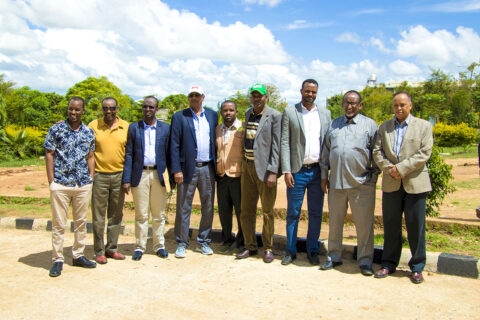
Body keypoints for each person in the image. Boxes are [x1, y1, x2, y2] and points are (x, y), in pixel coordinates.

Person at [373, 91, 433, 284]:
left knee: (416, 226)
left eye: (403, 105)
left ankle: (417, 267)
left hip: (415, 183)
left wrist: (401, 168)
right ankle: (389, 264)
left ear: (410, 106)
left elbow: (424, 152)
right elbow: (377, 151)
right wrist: (388, 168)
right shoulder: (384, 127)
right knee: (391, 226)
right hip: (391, 182)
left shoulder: (423, 126)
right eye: (396, 105)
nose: (399, 108)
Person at [319, 90, 378, 275]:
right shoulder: (334, 124)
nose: (349, 106)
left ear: (360, 106)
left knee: (364, 224)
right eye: (346, 103)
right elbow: (326, 152)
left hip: (361, 185)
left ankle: (365, 260)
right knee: (335, 223)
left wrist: (372, 179)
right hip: (336, 183)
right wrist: (323, 175)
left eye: (353, 103)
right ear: (342, 104)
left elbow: (377, 153)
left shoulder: (370, 125)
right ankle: (333, 256)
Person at [280, 79, 331, 266]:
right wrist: (287, 170)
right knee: (293, 213)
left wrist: (326, 174)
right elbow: (284, 141)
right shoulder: (290, 112)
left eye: (314, 92)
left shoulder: (325, 114)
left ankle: (312, 250)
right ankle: (290, 251)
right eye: (307, 91)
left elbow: (327, 144)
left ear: (317, 93)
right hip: (297, 171)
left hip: (318, 171)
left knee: (316, 213)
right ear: (301, 91)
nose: (310, 94)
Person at [44, 96, 96, 277]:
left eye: (77, 110)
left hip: (82, 183)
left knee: (81, 222)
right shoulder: (56, 129)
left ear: (83, 111)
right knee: (59, 224)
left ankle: (78, 255)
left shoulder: (89, 132)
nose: (73, 112)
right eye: (70, 109)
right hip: (61, 183)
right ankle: (57, 259)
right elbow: (49, 154)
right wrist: (51, 180)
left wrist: (91, 177)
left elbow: (90, 156)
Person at [235, 83, 282, 263]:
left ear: (266, 97)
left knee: (268, 211)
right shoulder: (248, 113)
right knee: (246, 210)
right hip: (247, 167)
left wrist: (272, 171)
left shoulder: (275, 116)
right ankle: (250, 246)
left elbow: (276, 146)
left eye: (259, 96)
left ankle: (268, 248)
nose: (256, 98)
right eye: (253, 95)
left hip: (265, 170)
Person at [170, 86, 218, 258]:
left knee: (208, 206)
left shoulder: (212, 115)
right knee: (183, 206)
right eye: (191, 95)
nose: (194, 98)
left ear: (203, 97)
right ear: (188, 98)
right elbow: (174, 145)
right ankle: (182, 242)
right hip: (186, 170)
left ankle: (203, 241)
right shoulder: (179, 116)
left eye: (197, 95)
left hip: (208, 168)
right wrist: (176, 170)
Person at [122, 96, 170, 261]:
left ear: (156, 109)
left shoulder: (165, 128)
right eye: (145, 107)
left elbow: (171, 154)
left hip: (159, 175)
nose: (147, 110)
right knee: (141, 214)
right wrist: (126, 179)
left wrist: (171, 177)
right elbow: (129, 154)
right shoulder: (134, 128)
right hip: (140, 175)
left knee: (159, 214)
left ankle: (159, 246)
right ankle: (139, 247)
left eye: (151, 107)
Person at [88, 97, 128, 264]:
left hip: (119, 176)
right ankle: (99, 251)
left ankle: (112, 248)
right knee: (98, 216)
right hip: (99, 176)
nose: (108, 111)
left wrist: (127, 178)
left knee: (116, 215)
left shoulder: (126, 127)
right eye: (105, 108)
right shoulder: (93, 126)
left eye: (112, 108)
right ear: (102, 110)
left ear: (117, 109)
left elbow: (130, 153)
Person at [215, 100, 245, 254]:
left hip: (238, 175)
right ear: (221, 112)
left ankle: (241, 241)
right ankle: (227, 239)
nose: (228, 113)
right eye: (225, 110)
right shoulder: (217, 129)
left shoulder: (243, 128)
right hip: (221, 176)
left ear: (236, 112)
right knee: (224, 211)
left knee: (240, 211)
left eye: (231, 110)